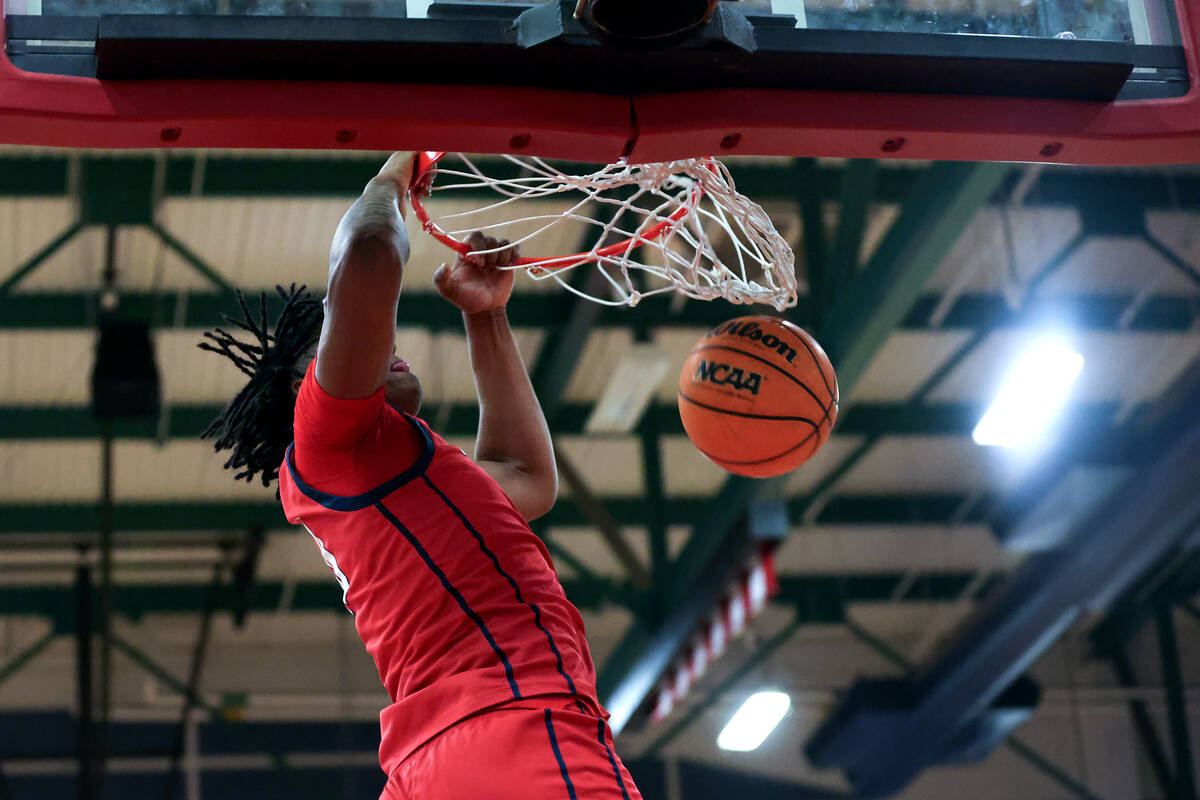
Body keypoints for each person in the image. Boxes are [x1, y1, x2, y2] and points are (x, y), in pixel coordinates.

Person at [200, 152, 642, 799]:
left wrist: (485, 316)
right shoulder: (326, 437)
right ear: (308, 388)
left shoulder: (389, 479)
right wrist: (390, 179)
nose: (383, 341)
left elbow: (525, 478)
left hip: (432, 767)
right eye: (340, 341)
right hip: (514, 728)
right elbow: (373, 252)